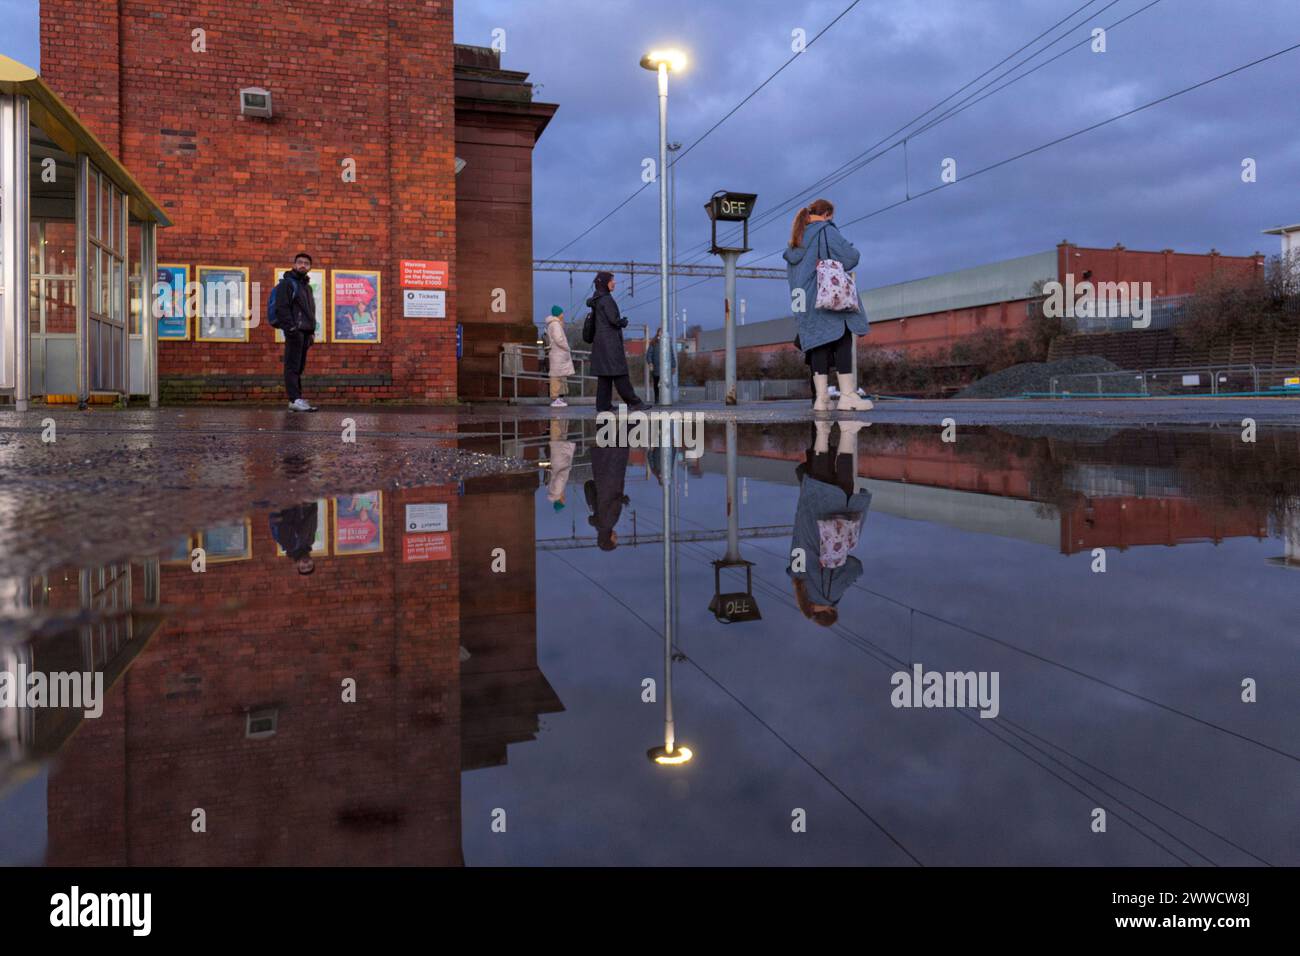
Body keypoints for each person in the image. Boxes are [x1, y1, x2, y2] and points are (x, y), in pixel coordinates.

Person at [784, 199, 872, 413]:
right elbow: (851, 258)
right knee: (842, 336)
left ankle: (822, 399)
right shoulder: (826, 230)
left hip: (804, 300)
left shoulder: (796, 239)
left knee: (818, 344)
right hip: (827, 297)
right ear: (827, 214)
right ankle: (847, 396)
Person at [786, 420, 872, 626]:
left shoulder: (828, 594)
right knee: (820, 468)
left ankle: (847, 427)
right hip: (810, 512)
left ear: (831, 610)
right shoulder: (798, 579)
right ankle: (822, 417)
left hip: (836, 520)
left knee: (844, 476)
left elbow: (855, 567)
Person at [587, 271, 650, 413]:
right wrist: (622, 322)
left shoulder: (597, 299)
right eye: (611, 280)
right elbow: (613, 320)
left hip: (600, 343)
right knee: (620, 374)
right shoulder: (607, 300)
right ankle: (634, 403)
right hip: (610, 344)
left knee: (605, 376)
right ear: (604, 283)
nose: (614, 283)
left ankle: (603, 406)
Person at [272, 252, 318, 412]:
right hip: (295, 332)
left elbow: (310, 311)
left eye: (306, 263)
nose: (303, 265)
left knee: (299, 367)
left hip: (305, 332)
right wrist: (291, 329)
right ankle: (294, 399)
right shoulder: (287, 284)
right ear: (294, 264)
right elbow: (282, 308)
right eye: (300, 262)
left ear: (310, 267)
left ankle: (297, 398)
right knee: (292, 366)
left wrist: (311, 331)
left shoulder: (307, 287)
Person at [585, 442, 631, 550]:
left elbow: (614, 504)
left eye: (615, 540)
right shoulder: (598, 521)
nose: (616, 537)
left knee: (619, 443)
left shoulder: (609, 522)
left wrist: (622, 500)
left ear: (608, 539)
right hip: (601, 476)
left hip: (613, 477)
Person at [270, 500, 320, 575]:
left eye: (303, 567)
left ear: (297, 564)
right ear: (313, 562)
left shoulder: (288, 544)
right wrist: (312, 502)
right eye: (309, 566)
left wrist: (295, 503)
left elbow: (280, 521)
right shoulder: (310, 541)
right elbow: (313, 519)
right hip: (305, 500)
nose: (306, 564)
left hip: (287, 500)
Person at [545, 305, 575, 408]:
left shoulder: (553, 324)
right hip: (558, 354)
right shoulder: (555, 325)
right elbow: (559, 339)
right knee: (556, 376)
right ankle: (555, 398)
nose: (563, 314)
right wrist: (567, 347)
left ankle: (557, 398)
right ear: (559, 314)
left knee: (558, 375)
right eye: (562, 312)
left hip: (557, 354)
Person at [647, 328, 676, 403]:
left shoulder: (668, 343)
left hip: (666, 368)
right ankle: (657, 398)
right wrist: (650, 363)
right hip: (656, 367)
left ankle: (667, 398)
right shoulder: (653, 342)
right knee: (656, 384)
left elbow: (672, 355)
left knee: (666, 382)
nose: (661, 333)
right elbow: (649, 354)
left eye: (663, 332)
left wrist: (673, 366)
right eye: (660, 332)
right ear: (658, 333)